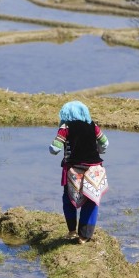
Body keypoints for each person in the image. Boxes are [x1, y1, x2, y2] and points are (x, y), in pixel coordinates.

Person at [49, 100, 109, 243]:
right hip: (94, 169)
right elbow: (105, 143)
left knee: (69, 199)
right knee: (91, 200)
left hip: (74, 170)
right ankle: (84, 236)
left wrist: (52, 148)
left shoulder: (65, 127)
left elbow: (55, 148)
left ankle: (72, 231)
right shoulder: (93, 125)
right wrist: (98, 150)